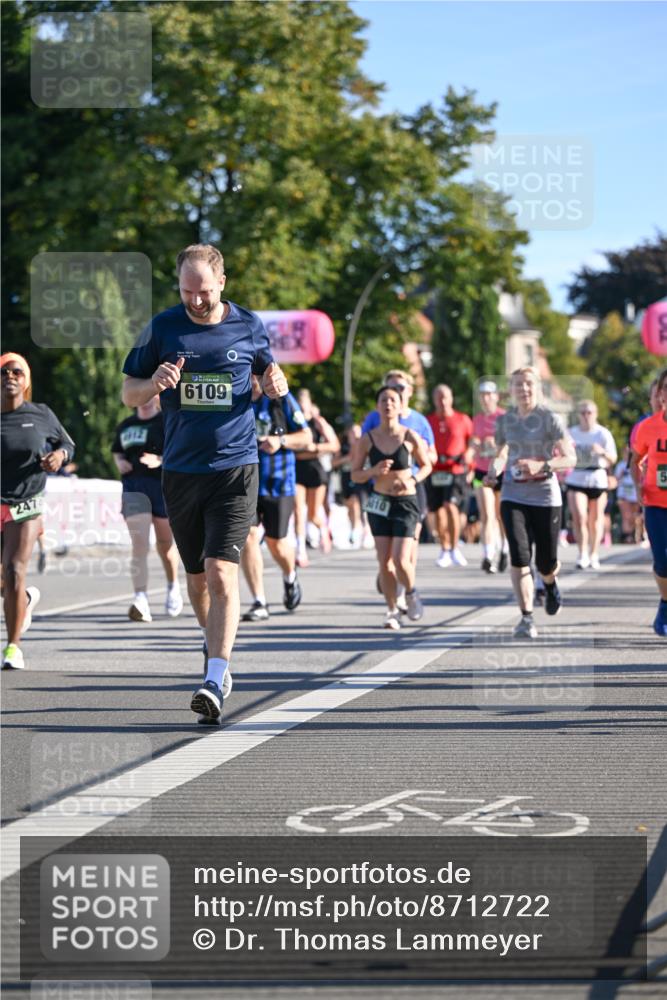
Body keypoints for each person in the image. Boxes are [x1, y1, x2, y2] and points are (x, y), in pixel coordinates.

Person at [121, 243, 288, 723]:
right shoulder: (163, 326)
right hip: (181, 471)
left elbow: (269, 379)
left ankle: (215, 676)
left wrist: (278, 385)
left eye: (205, 291)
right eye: (187, 291)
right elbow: (128, 391)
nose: (196, 300)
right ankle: (214, 643)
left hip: (236, 468)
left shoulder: (249, 326)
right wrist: (154, 383)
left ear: (223, 283)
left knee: (220, 572)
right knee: (197, 581)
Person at [485, 367, 576, 639]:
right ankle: (526, 617)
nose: (523, 389)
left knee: (546, 563)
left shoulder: (550, 418)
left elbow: (571, 458)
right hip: (513, 495)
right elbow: (501, 453)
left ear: (537, 388)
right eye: (518, 385)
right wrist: (494, 470)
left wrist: (542, 465)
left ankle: (549, 584)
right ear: (510, 389)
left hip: (546, 497)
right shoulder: (505, 421)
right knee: (520, 556)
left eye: (528, 384)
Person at [1, 352, 75, 669]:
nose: (10, 377)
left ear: (26, 379)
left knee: (15, 570)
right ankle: (25, 601)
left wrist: (58, 456)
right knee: (6, 579)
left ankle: (12, 647)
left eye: (17, 371)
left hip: (25, 503)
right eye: (4, 371)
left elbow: (67, 445)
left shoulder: (41, 414)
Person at [351, 386, 432, 630]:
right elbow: (355, 475)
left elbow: (426, 465)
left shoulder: (409, 436)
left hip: (406, 502)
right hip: (379, 502)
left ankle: (411, 591)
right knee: (384, 561)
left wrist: (413, 480)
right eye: (383, 400)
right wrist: (373, 472)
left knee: (400, 559)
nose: (388, 404)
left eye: (393, 400)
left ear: (399, 406)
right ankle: (391, 610)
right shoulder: (368, 439)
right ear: (377, 406)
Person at [240, 375, 312, 620]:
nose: (251, 379)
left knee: (276, 543)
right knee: (248, 536)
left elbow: (306, 437)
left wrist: (280, 440)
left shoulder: (280, 400)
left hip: (278, 482)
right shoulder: (233, 400)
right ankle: (259, 601)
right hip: (244, 482)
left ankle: (290, 575)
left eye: (254, 373)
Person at [112, 395, 183, 622]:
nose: (144, 400)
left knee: (165, 544)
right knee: (139, 545)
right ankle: (140, 598)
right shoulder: (126, 425)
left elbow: (181, 450)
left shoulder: (167, 421)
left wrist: (160, 460)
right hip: (134, 488)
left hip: (163, 487)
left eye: (149, 395)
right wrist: (119, 462)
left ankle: (173, 586)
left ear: (157, 396)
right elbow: (117, 450)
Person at [630, 366, 667, 638]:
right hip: (655, 501)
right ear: (660, 394)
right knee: (662, 561)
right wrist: (638, 486)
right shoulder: (648, 427)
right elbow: (635, 461)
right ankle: (665, 603)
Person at [565, 400, 617, 570]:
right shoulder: (571, 433)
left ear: (595, 414)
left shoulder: (602, 434)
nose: (586, 416)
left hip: (597, 478)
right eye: (583, 413)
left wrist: (601, 451)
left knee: (595, 520)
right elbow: (561, 452)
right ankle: (582, 553)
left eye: (589, 413)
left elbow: (613, 458)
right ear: (578, 415)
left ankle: (594, 553)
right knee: (580, 517)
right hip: (576, 477)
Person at [426, 384, 474, 568]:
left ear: (451, 398)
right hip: (435, 470)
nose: (442, 401)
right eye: (438, 397)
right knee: (438, 510)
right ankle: (445, 548)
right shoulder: (429, 421)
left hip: (456, 469)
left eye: (445, 397)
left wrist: (469, 457)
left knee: (451, 506)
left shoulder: (462, 419)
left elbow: (472, 441)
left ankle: (455, 547)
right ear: (434, 400)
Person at [293, 389, 339, 566]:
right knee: (298, 510)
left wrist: (316, 448)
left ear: (309, 404)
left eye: (304, 403)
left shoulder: (318, 422)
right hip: (297, 470)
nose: (301, 407)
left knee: (313, 514)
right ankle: (300, 550)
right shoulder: (293, 422)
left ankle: (323, 529)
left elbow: (334, 445)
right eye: (298, 404)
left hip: (316, 471)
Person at [470, 380, 509, 573]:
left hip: (501, 470)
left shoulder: (504, 417)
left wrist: (495, 444)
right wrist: (475, 445)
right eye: (482, 395)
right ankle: (487, 555)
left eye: (489, 394)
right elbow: (472, 441)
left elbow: (511, 444)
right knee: (486, 514)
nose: (485, 398)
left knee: (501, 515)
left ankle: (504, 549)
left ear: (496, 396)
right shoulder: (476, 419)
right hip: (481, 470)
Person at [332, 423, 371, 549]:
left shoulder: (363, 445)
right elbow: (333, 463)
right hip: (346, 476)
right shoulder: (343, 447)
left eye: (357, 432)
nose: (355, 435)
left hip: (359, 476)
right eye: (352, 432)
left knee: (358, 503)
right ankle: (354, 528)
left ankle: (363, 530)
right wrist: (346, 459)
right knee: (349, 504)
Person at [614, 446, 642, 543]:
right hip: (623, 493)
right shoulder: (620, 465)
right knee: (626, 516)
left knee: (634, 516)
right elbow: (616, 480)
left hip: (635, 493)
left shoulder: (637, 464)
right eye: (625, 453)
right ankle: (627, 537)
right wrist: (620, 475)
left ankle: (636, 534)